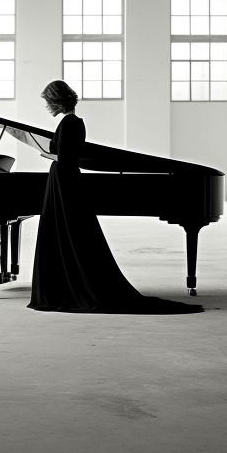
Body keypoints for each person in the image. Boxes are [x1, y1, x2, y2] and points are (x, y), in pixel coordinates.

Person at [28, 80, 204, 314]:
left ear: (58, 100)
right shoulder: (73, 122)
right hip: (64, 181)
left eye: (48, 101)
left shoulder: (69, 123)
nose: (47, 106)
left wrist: (48, 156)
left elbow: (67, 158)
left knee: (64, 231)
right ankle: (67, 281)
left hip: (63, 181)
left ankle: (68, 286)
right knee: (69, 233)